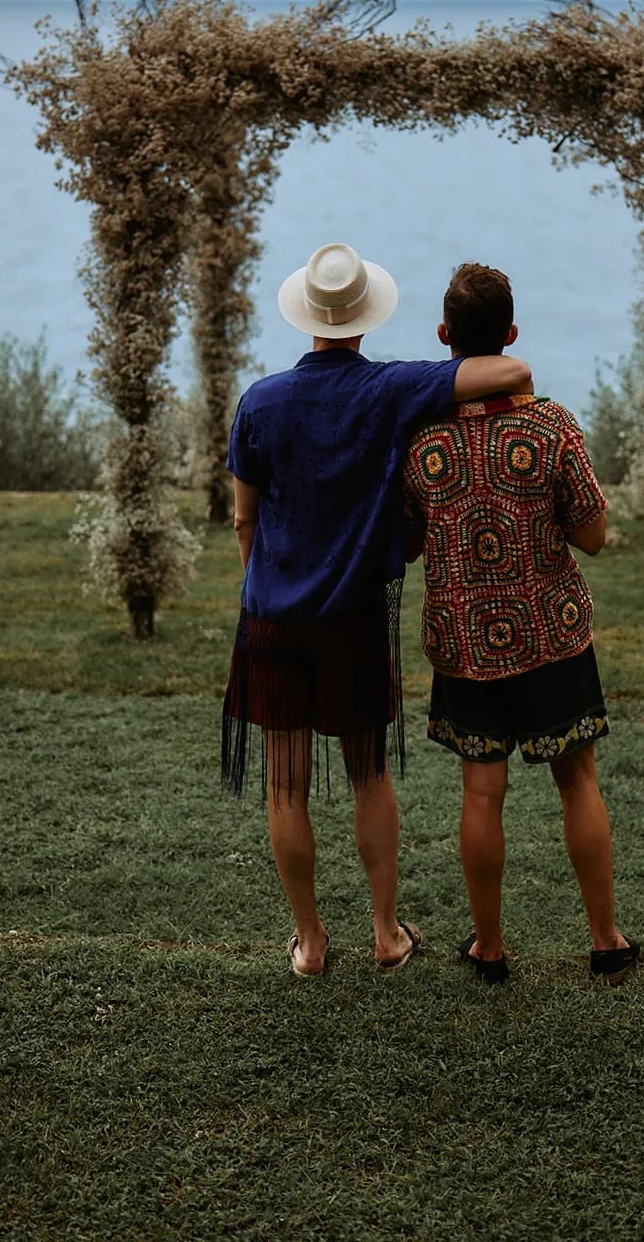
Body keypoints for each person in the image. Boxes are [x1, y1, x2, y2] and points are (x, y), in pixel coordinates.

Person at [222, 242, 533, 977]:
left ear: (306, 318)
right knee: (367, 777)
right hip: (352, 615)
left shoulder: (259, 401)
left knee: (284, 783)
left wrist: (264, 585)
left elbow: (243, 520)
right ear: (365, 319)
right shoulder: (389, 388)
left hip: (272, 616)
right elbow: (510, 370)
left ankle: (310, 943)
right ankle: (386, 933)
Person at [402, 262, 639, 984]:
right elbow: (594, 536)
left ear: (443, 335)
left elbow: (408, 541)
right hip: (551, 635)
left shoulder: (420, 437)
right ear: (509, 336)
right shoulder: (549, 425)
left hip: (465, 641)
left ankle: (490, 948)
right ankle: (603, 940)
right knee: (578, 781)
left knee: (481, 791)